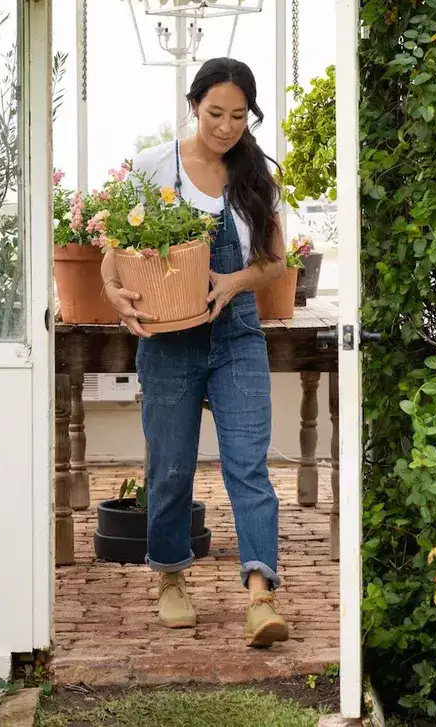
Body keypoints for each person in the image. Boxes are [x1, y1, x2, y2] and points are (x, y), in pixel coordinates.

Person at [101, 57, 289, 648]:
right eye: (215, 113)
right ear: (194, 106)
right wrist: (115, 296)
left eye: (238, 116)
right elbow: (114, 253)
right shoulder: (156, 165)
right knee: (172, 467)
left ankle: (261, 594)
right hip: (168, 340)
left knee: (248, 467)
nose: (226, 127)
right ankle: (171, 578)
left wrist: (232, 283)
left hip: (235, 335)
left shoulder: (255, 176)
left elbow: (275, 263)